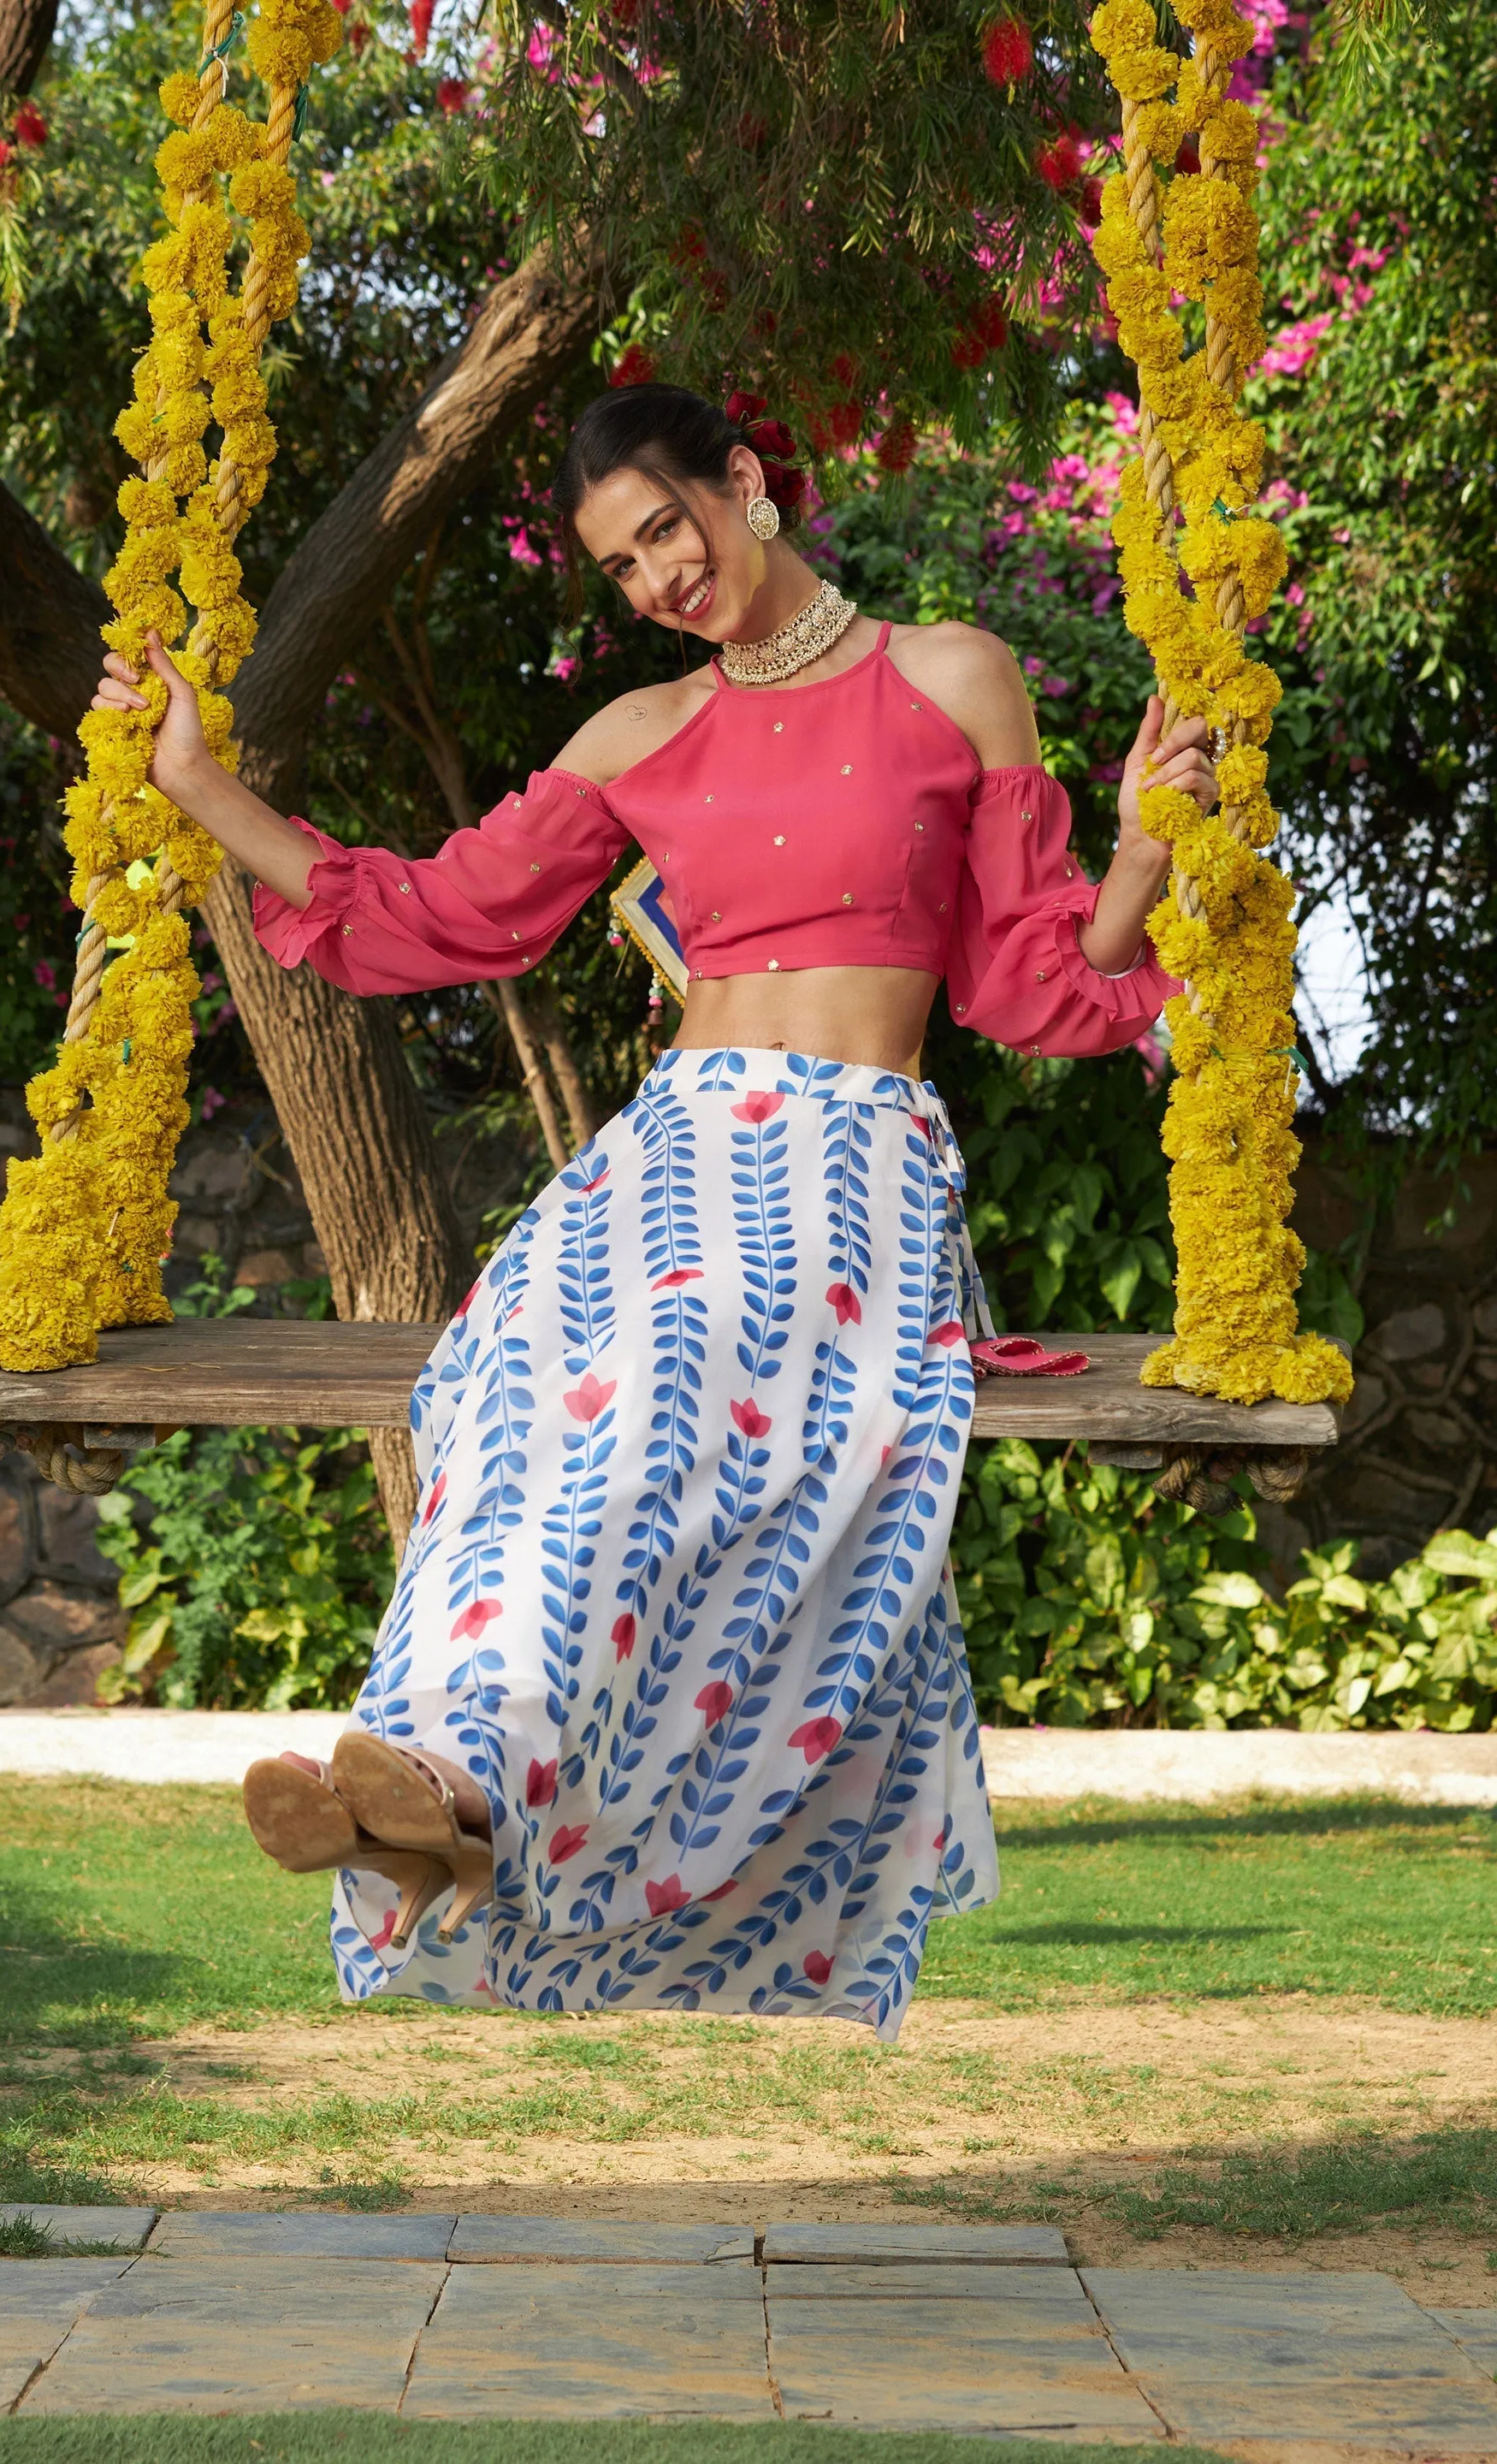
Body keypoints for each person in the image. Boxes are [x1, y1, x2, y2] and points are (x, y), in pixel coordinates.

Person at [91, 382, 1216, 2036]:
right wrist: (200, 786)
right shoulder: (633, 736)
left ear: (745, 484)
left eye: (665, 533)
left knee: (658, 1417)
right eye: (621, 570)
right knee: (517, 1407)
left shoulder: (950, 674)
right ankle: (437, 1787)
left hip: (851, 1164)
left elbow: (1034, 978)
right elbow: (425, 916)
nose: (656, 582)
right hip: (668, 1156)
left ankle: (466, 1806)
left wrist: (1132, 860)